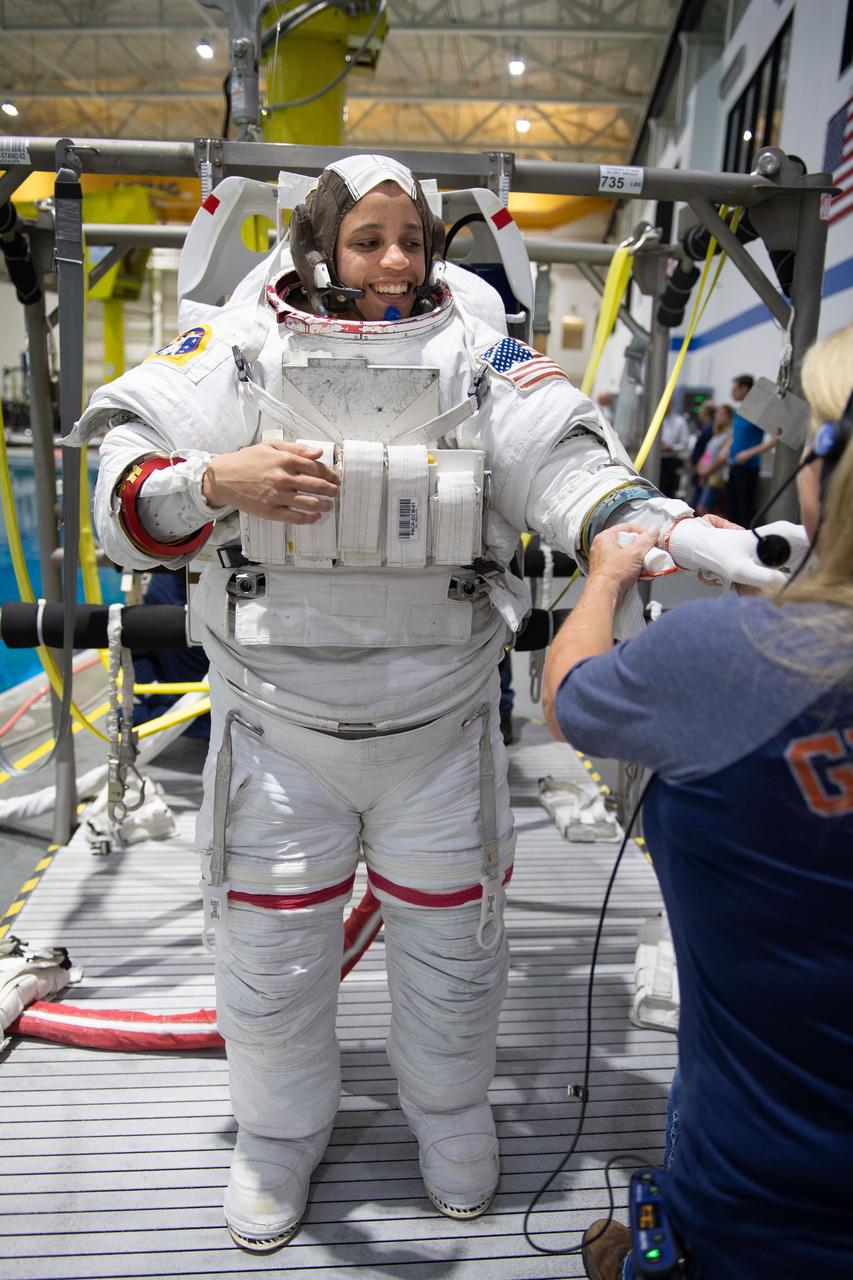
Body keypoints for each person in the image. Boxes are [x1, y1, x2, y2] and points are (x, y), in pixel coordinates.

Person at [68, 154, 798, 1256]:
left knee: (457, 957)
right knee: (268, 966)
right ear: (319, 246)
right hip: (280, 728)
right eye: (368, 240)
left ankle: (449, 1115)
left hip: (437, 730)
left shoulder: (474, 342)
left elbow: (561, 459)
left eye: (411, 237)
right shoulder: (240, 342)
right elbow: (120, 477)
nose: (397, 260)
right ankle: (275, 1134)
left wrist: (627, 524)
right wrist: (218, 483)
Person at [541, 322, 853, 1280]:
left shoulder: (723, 659)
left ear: (820, 474)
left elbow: (568, 698)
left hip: (770, 1192)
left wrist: (605, 576)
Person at [727, 373, 776, 525]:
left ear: (745, 388)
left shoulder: (758, 411)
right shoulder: (738, 411)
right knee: (732, 510)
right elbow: (735, 434)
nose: (732, 392)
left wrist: (749, 453)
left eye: (735, 388)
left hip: (748, 468)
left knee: (744, 511)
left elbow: (774, 440)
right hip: (734, 465)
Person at [693, 402, 732, 516]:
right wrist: (702, 468)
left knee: (703, 508)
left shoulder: (730, 434)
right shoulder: (717, 434)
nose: (719, 416)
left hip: (716, 475)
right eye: (718, 414)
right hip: (707, 474)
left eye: (722, 414)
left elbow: (722, 457)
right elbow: (708, 454)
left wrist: (707, 470)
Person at [686, 400, 715, 507]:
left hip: (702, 469)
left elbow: (708, 452)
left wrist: (702, 467)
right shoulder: (706, 428)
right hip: (700, 467)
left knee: (699, 503)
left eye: (701, 411)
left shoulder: (709, 430)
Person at [658, 407, 691, 498]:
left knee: (668, 491)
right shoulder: (654, 419)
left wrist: (671, 447)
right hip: (655, 460)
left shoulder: (679, 421)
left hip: (671, 461)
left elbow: (685, 443)